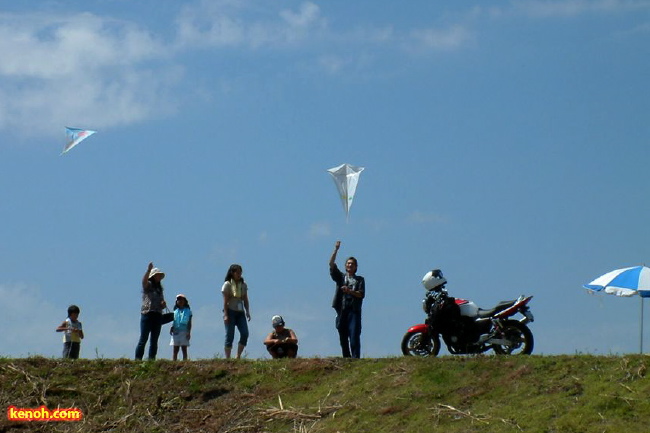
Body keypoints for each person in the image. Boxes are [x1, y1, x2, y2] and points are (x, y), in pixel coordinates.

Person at [329, 240, 365, 358]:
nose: (350, 265)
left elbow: (361, 294)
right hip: (342, 309)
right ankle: (346, 357)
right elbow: (331, 264)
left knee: (354, 335)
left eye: (352, 264)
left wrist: (350, 291)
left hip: (354, 311)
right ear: (345, 266)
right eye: (348, 263)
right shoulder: (341, 277)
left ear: (356, 267)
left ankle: (355, 358)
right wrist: (336, 250)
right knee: (343, 335)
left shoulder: (360, 280)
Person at [135, 262, 167, 360]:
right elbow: (143, 282)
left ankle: (151, 358)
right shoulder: (148, 286)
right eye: (157, 275)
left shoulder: (160, 290)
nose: (158, 277)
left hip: (157, 314)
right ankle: (138, 358)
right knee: (143, 338)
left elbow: (161, 302)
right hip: (147, 313)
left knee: (154, 340)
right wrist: (148, 270)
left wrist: (163, 305)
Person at [221, 264, 251, 359]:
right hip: (230, 311)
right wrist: (226, 315)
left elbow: (245, 299)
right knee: (230, 335)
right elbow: (225, 301)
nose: (239, 274)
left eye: (240, 272)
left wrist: (248, 311)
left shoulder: (243, 285)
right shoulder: (228, 284)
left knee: (245, 333)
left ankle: (238, 355)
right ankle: (228, 358)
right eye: (237, 272)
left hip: (240, 312)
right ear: (232, 273)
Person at [170, 294, 192, 361]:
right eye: (178, 300)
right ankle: (174, 362)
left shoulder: (188, 311)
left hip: (184, 331)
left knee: (184, 349)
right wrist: (171, 327)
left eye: (181, 299)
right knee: (175, 349)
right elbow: (173, 321)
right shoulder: (175, 311)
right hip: (176, 331)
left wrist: (188, 332)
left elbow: (189, 322)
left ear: (185, 301)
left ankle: (185, 361)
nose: (180, 301)